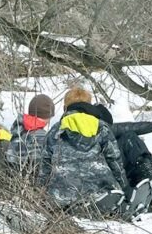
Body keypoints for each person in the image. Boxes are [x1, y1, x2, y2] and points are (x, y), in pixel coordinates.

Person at [39, 88, 138, 217]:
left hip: (62, 197)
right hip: (100, 193)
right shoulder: (101, 127)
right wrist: (125, 188)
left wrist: (40, 194)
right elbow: (114, 161)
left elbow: (45, 167)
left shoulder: (55, 130)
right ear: (89, 105)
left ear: (65, 108)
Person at [7, 93, 55, 176]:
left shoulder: (18, 128)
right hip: (30, 181)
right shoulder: (41, 136)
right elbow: (40, 169)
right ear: (48, 115)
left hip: (11, 179)